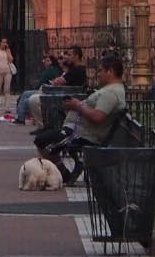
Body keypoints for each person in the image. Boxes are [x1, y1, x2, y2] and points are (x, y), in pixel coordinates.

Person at [50, 53, 128, 185]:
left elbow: (98, 116)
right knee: (44, 136)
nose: (98, 74)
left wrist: (78, 106)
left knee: (43, 141)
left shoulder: (111, 93)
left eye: (101, 70)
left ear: (110, 71)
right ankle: (66, 172)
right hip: (79, 130)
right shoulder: (110, 90)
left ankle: (61, 175)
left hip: (84, 135)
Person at [0, 37, 15, 115]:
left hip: (7, 71)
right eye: (3, 42)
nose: (4, 44)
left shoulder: (8, 50)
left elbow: (11, 60)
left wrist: (8, 51)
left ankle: (7, 108)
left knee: (7, 89)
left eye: (5, 42)